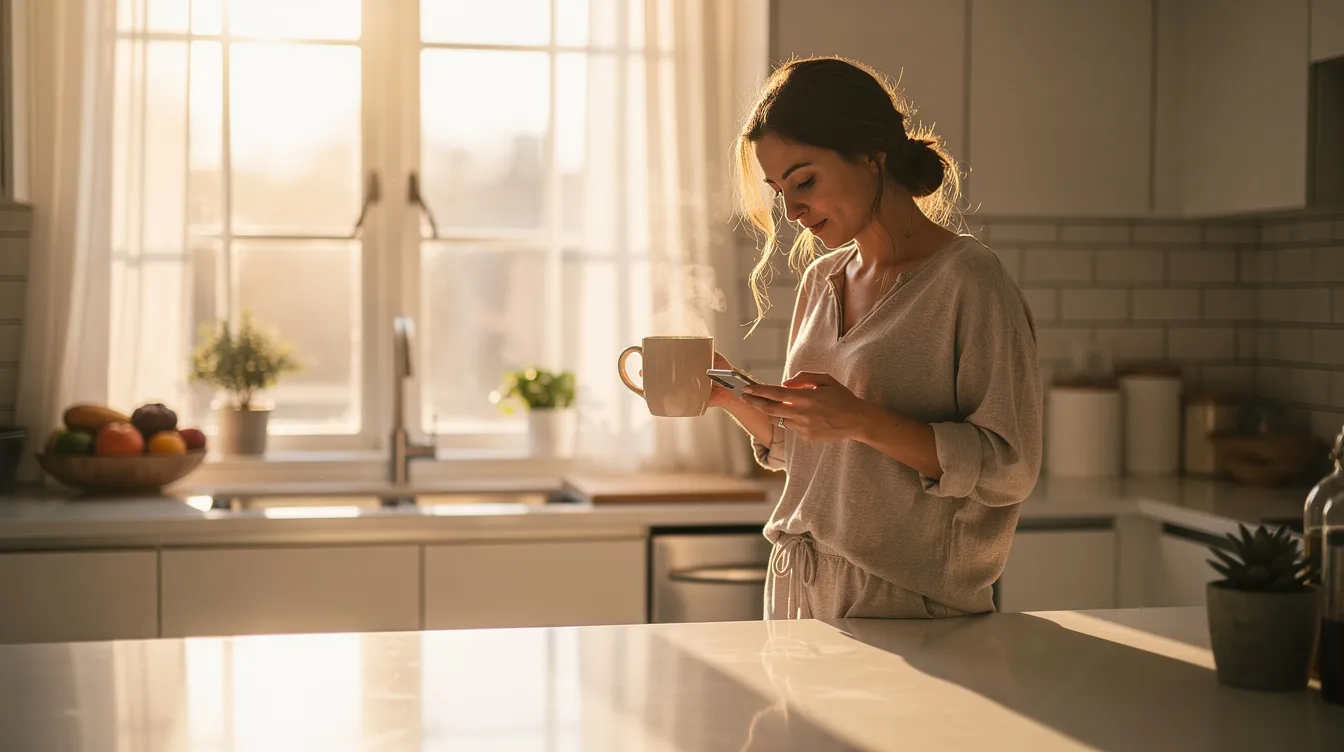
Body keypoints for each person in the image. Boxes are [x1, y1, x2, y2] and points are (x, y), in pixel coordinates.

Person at [709, 56, 1042, 620]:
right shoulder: (821, 279)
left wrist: (861, 418)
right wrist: (727, 395)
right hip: (799, 590)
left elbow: (1011, 469)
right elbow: (825, 459)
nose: (790, 211)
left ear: (871, 155)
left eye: (805, 181)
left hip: (905, 603)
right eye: (778, 190)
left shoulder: (968, 279)